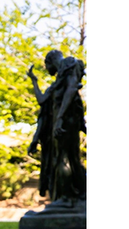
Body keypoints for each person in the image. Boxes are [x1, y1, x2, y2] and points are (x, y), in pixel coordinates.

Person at [27, 50, 86, 203]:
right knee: (69, 158)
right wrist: (34, 81)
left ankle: (66, 198)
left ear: (50, 60)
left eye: (46, 66)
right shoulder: (58, 80)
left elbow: (72, 89)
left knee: (63, 158)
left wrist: (60, 118)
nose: (47, 70)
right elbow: (43, 100)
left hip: (67, 121)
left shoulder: (70, 64)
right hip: (62, 121)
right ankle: (78, 194)